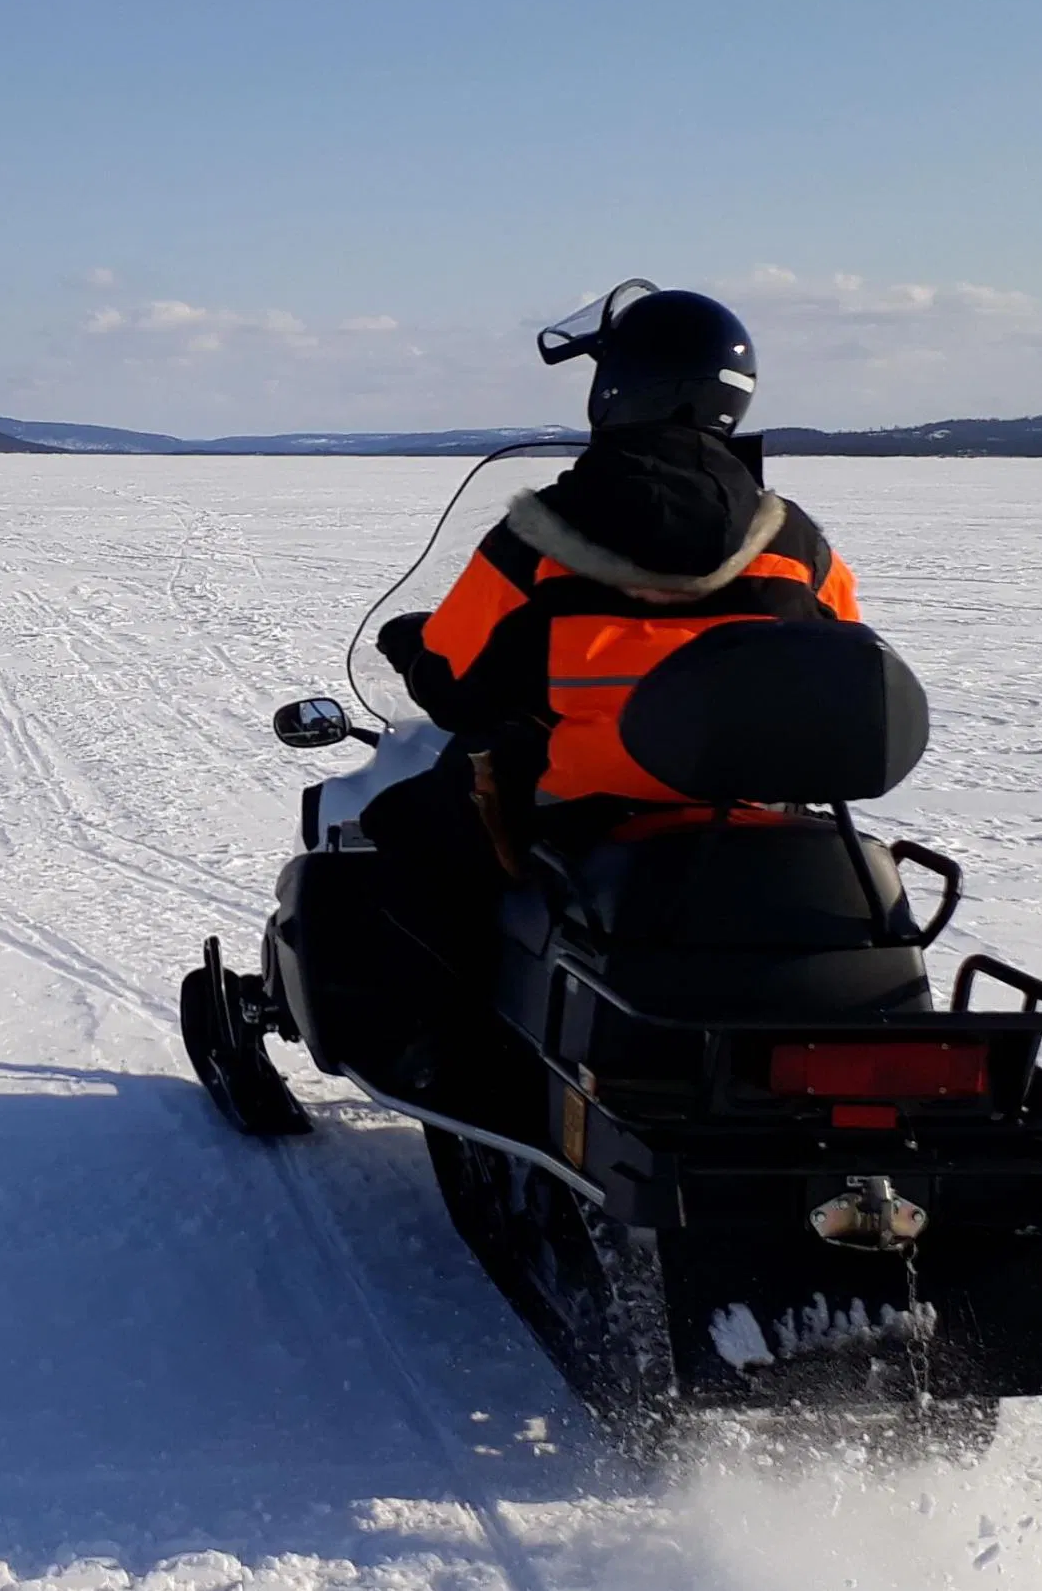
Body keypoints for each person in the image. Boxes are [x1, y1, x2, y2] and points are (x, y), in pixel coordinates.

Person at [354, 283, 861, 1100]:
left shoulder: (541, 533)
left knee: (400, 831)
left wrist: (412, 648)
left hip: (585, 806)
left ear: (615, 388)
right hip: (762, 813)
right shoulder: (795, 540)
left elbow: (452, 686)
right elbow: (845, 664)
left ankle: (436, 1056)